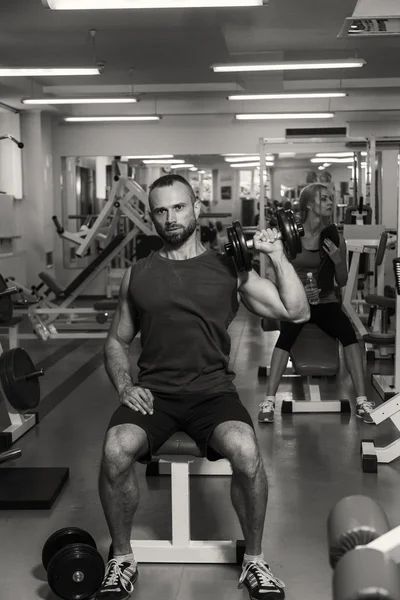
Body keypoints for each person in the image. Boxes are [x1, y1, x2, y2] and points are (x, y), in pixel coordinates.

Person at [97, 173, 310, 600]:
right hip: (155, 395)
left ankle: (255, 560)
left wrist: (278, 255)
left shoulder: (229, 268)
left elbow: (296, 311)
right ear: (152, 217)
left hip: (213, 394)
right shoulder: (138, 275)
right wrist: (124, 385)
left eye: (178, 207)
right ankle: (121, 558)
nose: (170, 218)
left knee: (247, 452)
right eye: (161, 210)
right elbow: (117, 341)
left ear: (196, 208)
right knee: (115, 449)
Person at [258, 183, 376, 425]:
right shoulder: (291, 236)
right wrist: (290, 294)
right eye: (324, 199)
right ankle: (269, 400)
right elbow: (276, 273)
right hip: (296, 302)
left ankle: (362, 400)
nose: (330, 203)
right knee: (286, 337)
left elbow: (341, 280)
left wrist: (337, 260)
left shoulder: (334, 238)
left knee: (350, 335)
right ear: (309, 205)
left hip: (325, 301)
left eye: (331, 198)